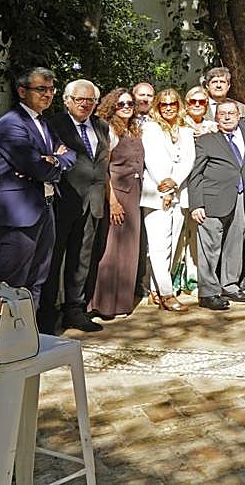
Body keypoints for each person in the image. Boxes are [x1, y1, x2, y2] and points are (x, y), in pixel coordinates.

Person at [0, 67, 76, 308]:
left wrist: (52, 160)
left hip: (45, 210)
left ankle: (26, 330)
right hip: (18, 216)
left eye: (51, 89)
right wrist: (51, 162)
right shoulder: (10, 124)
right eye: (41, 89)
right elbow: (36, 167)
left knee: (35, 281)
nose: (48, 94)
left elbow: (70, 156)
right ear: (22, 91)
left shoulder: (43, 123)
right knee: (8, 285)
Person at [42, 78, 109, 334]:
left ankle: (75, 310)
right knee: (54, 259)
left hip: (93, 201)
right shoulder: (53, 125)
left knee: (82, 258)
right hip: (63, 201)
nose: (85, 104)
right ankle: (46, 315)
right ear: (67, 100)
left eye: (90, 100)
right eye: (79, 99)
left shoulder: (101, 126)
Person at [189, 101, 245, 310]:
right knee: (209, 248)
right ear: (216, 118)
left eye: (231, 113)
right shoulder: (206, 141)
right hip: (212, 200)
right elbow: (195, 174)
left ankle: (230, 285)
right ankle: (208, 293)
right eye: (222, 114)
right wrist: (196, 204)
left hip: (242, 198)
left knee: (235, 244)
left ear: (239, 116)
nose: (227, 117)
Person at [88, 89, 145, 319]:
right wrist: (112, 201)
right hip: (117, 194)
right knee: (112, 249)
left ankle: (122, 302)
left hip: (135, 193)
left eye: (130, 103)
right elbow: (103, 169)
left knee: (129, 249)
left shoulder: (134, 128)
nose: (126, 107)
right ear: (112, 106)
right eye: (121, 104)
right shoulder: (109, 130)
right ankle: (103, 304)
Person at [141, 87, 195, 313]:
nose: (169, 107)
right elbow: (153, 159)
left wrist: (175, 182)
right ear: (157, 106)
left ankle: (156, 289)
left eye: (173, 103)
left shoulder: (185, 129)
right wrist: (166, 189)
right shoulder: (150, 128)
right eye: (164, 104)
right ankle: (166, 294)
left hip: (179, 192)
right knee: (158, 246)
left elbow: (189, 160)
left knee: (173, 244)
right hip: (156, 193)